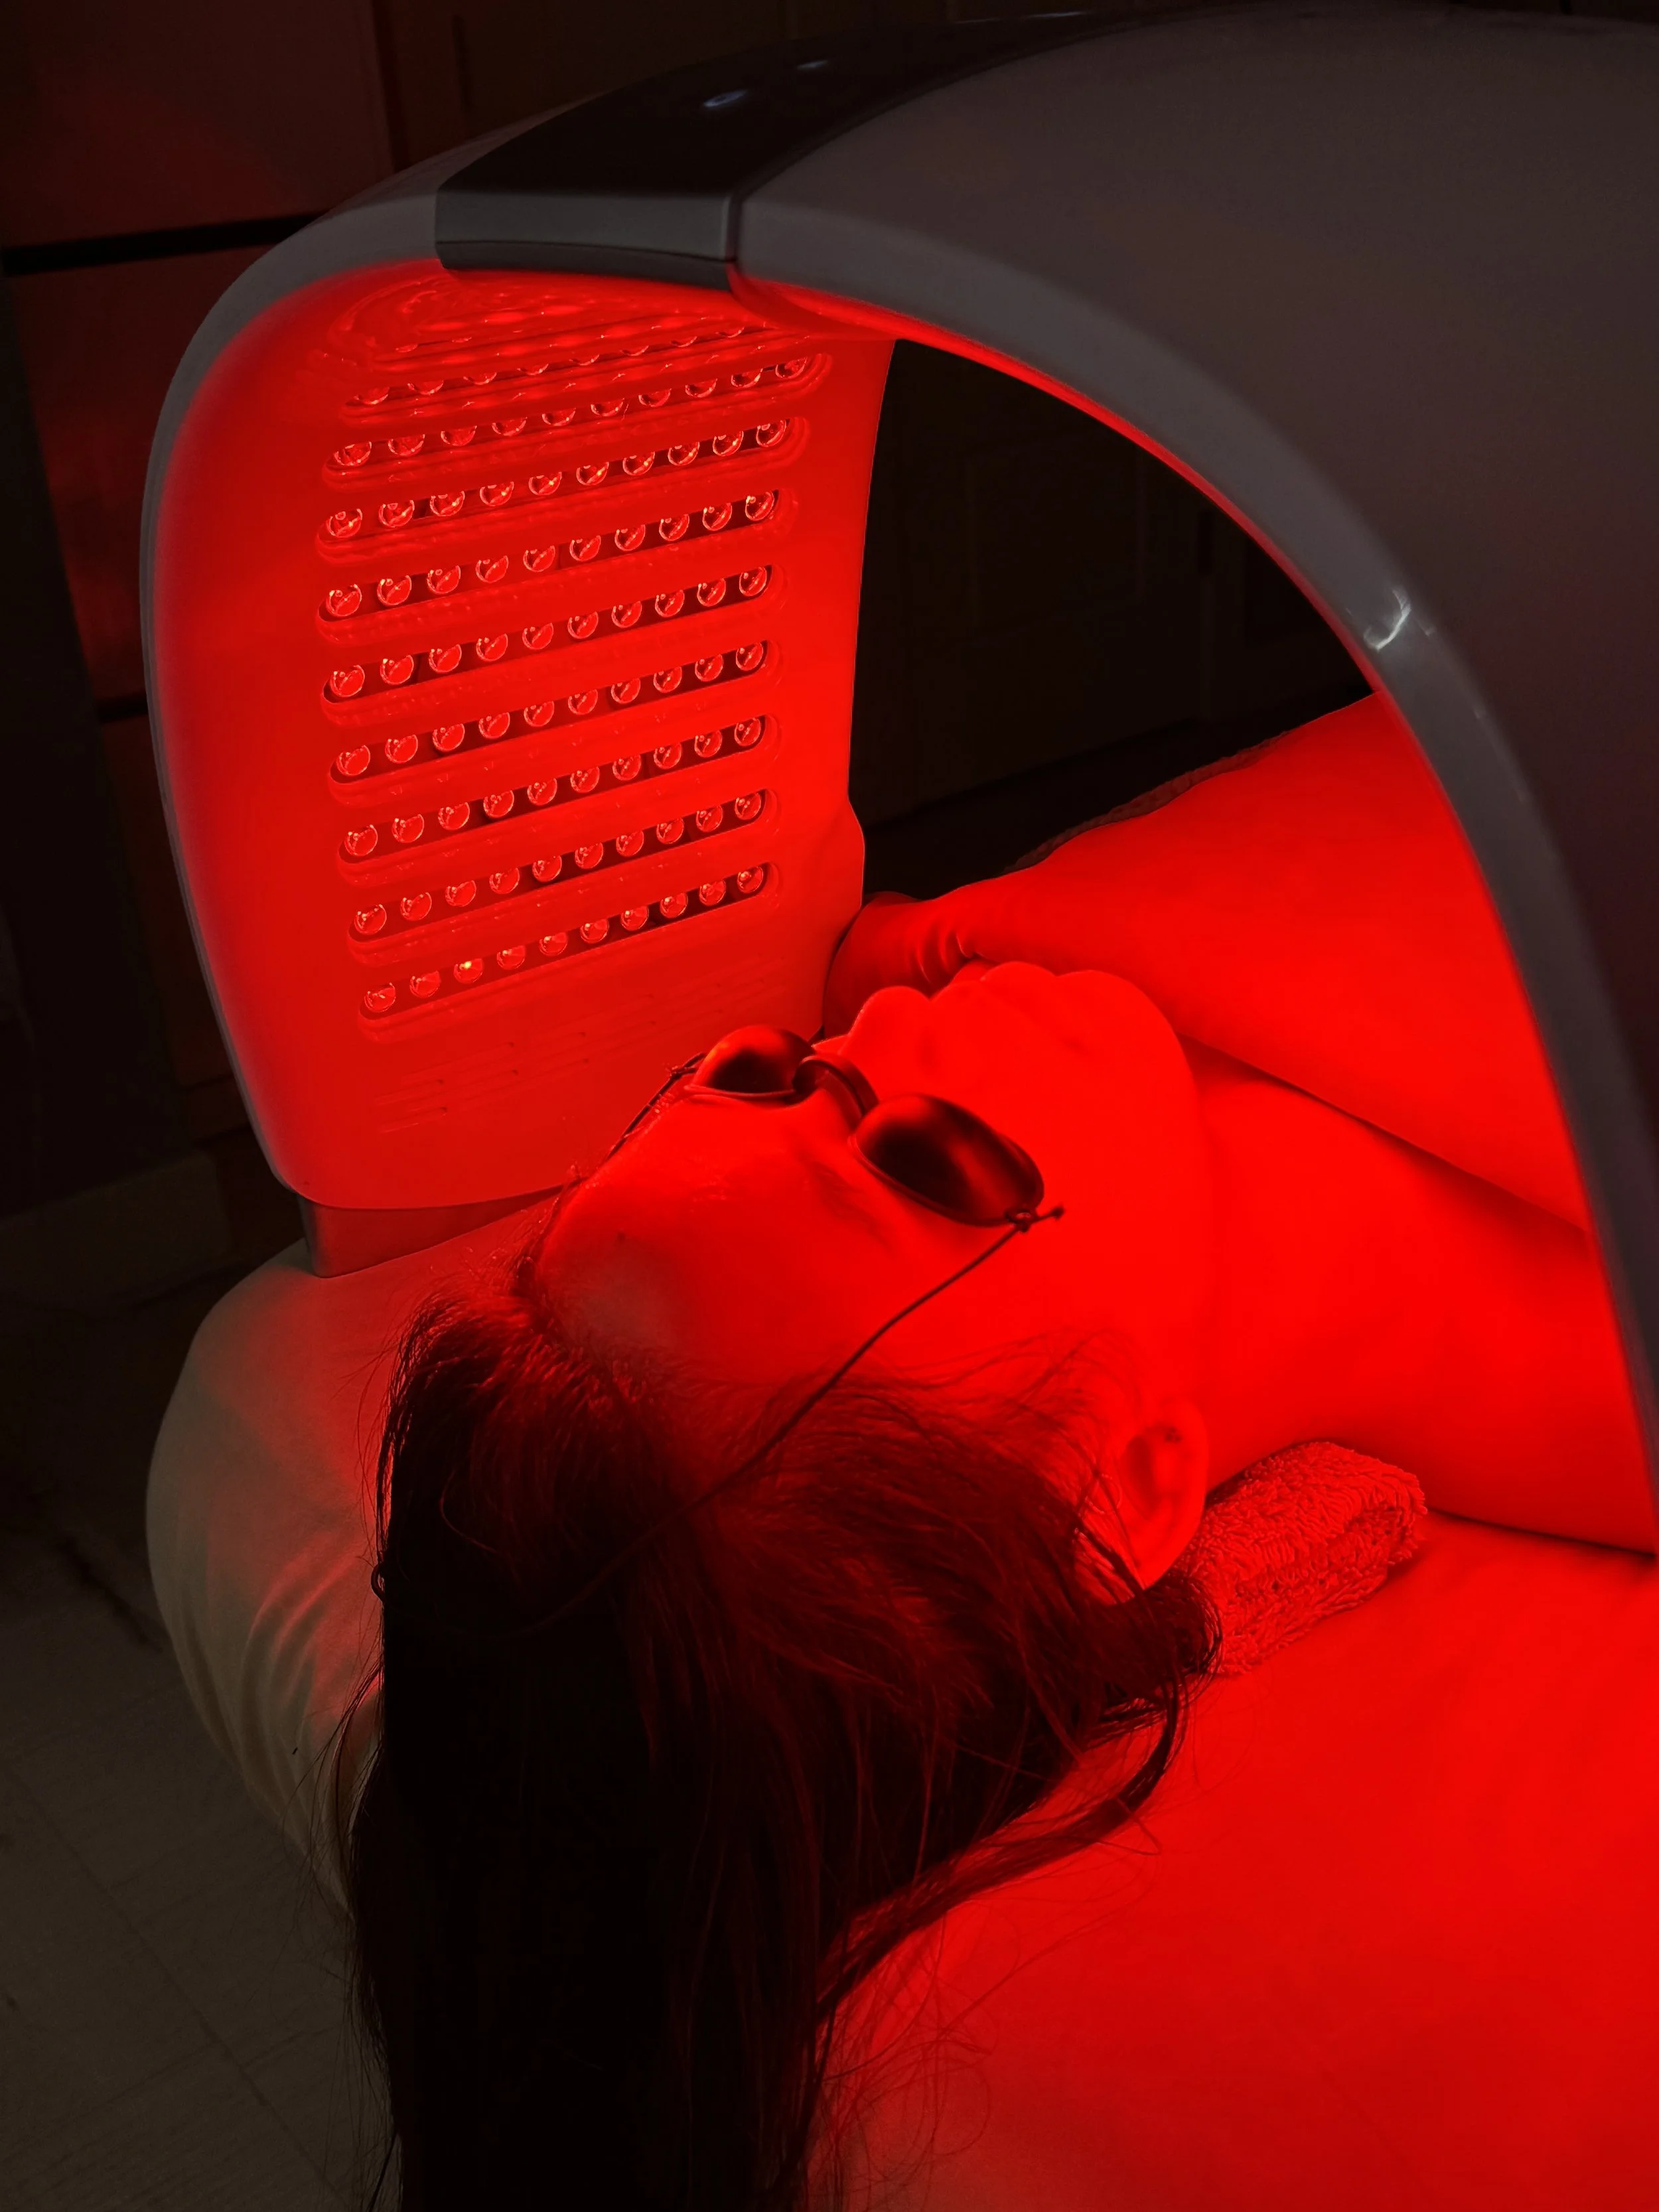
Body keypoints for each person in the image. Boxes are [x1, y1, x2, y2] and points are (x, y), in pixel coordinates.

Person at [342, 694, 1652, 2212]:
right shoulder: (1594, 1346)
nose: (886, 1028)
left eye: (762, 1068)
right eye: (929, 1161)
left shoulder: (962, 969)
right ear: (1119, 1488)